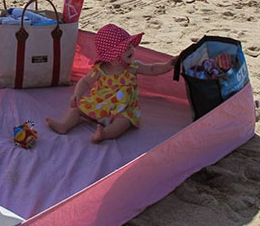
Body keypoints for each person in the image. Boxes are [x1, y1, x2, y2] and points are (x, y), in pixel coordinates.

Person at [46, 23, 176, 143]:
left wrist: (167, 65)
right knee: (77, 109)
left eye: (130, 45)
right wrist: (77, 95)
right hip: (100, 104)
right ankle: (64, 125)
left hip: (123, 109)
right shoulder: (100, 69)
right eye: (125, 48)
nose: (131, 49)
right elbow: (85, 82)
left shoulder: (133, 67)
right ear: (111, 58)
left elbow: (152, 69)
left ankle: (104, 134)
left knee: (124, 122)